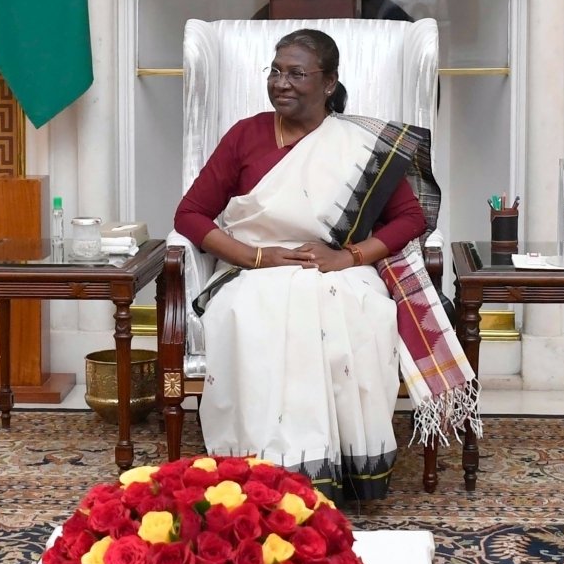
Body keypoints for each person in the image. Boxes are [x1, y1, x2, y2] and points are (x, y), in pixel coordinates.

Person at [173, 28, 475, 501]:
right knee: (257, 311)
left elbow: (412, 217)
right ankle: (261, 468)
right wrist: (257, 257)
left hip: (338, 268)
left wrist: (348, 256)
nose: (281, 83)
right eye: (275, 71)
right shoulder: (245, 135)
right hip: (252, 270)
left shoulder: (358, 145)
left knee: (350, 309)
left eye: (296, 73)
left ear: (329, 83)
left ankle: (335, 468)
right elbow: (188, 214)